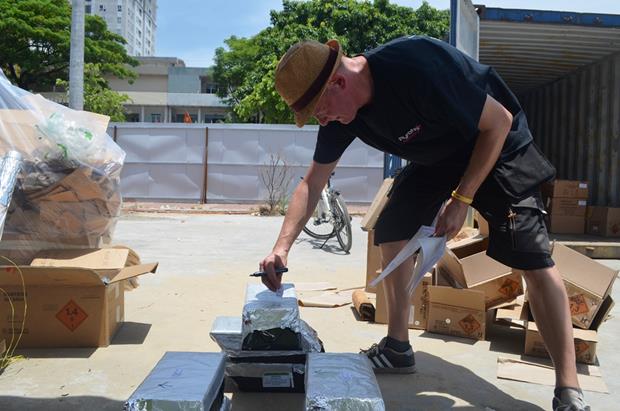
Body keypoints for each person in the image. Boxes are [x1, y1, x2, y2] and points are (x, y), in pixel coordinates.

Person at [259, 35, 589, 411]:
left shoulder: (416, 67)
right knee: (393, 229)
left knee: (531, 257)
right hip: (439, 156)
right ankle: (398, 346)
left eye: (319, 110)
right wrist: (280, 247)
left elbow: (499, 121)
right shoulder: (341, 113)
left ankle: (569, 389)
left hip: (496, 144)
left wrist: (461, 200)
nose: (322, 120)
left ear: (338, 80)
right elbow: (312, 182)